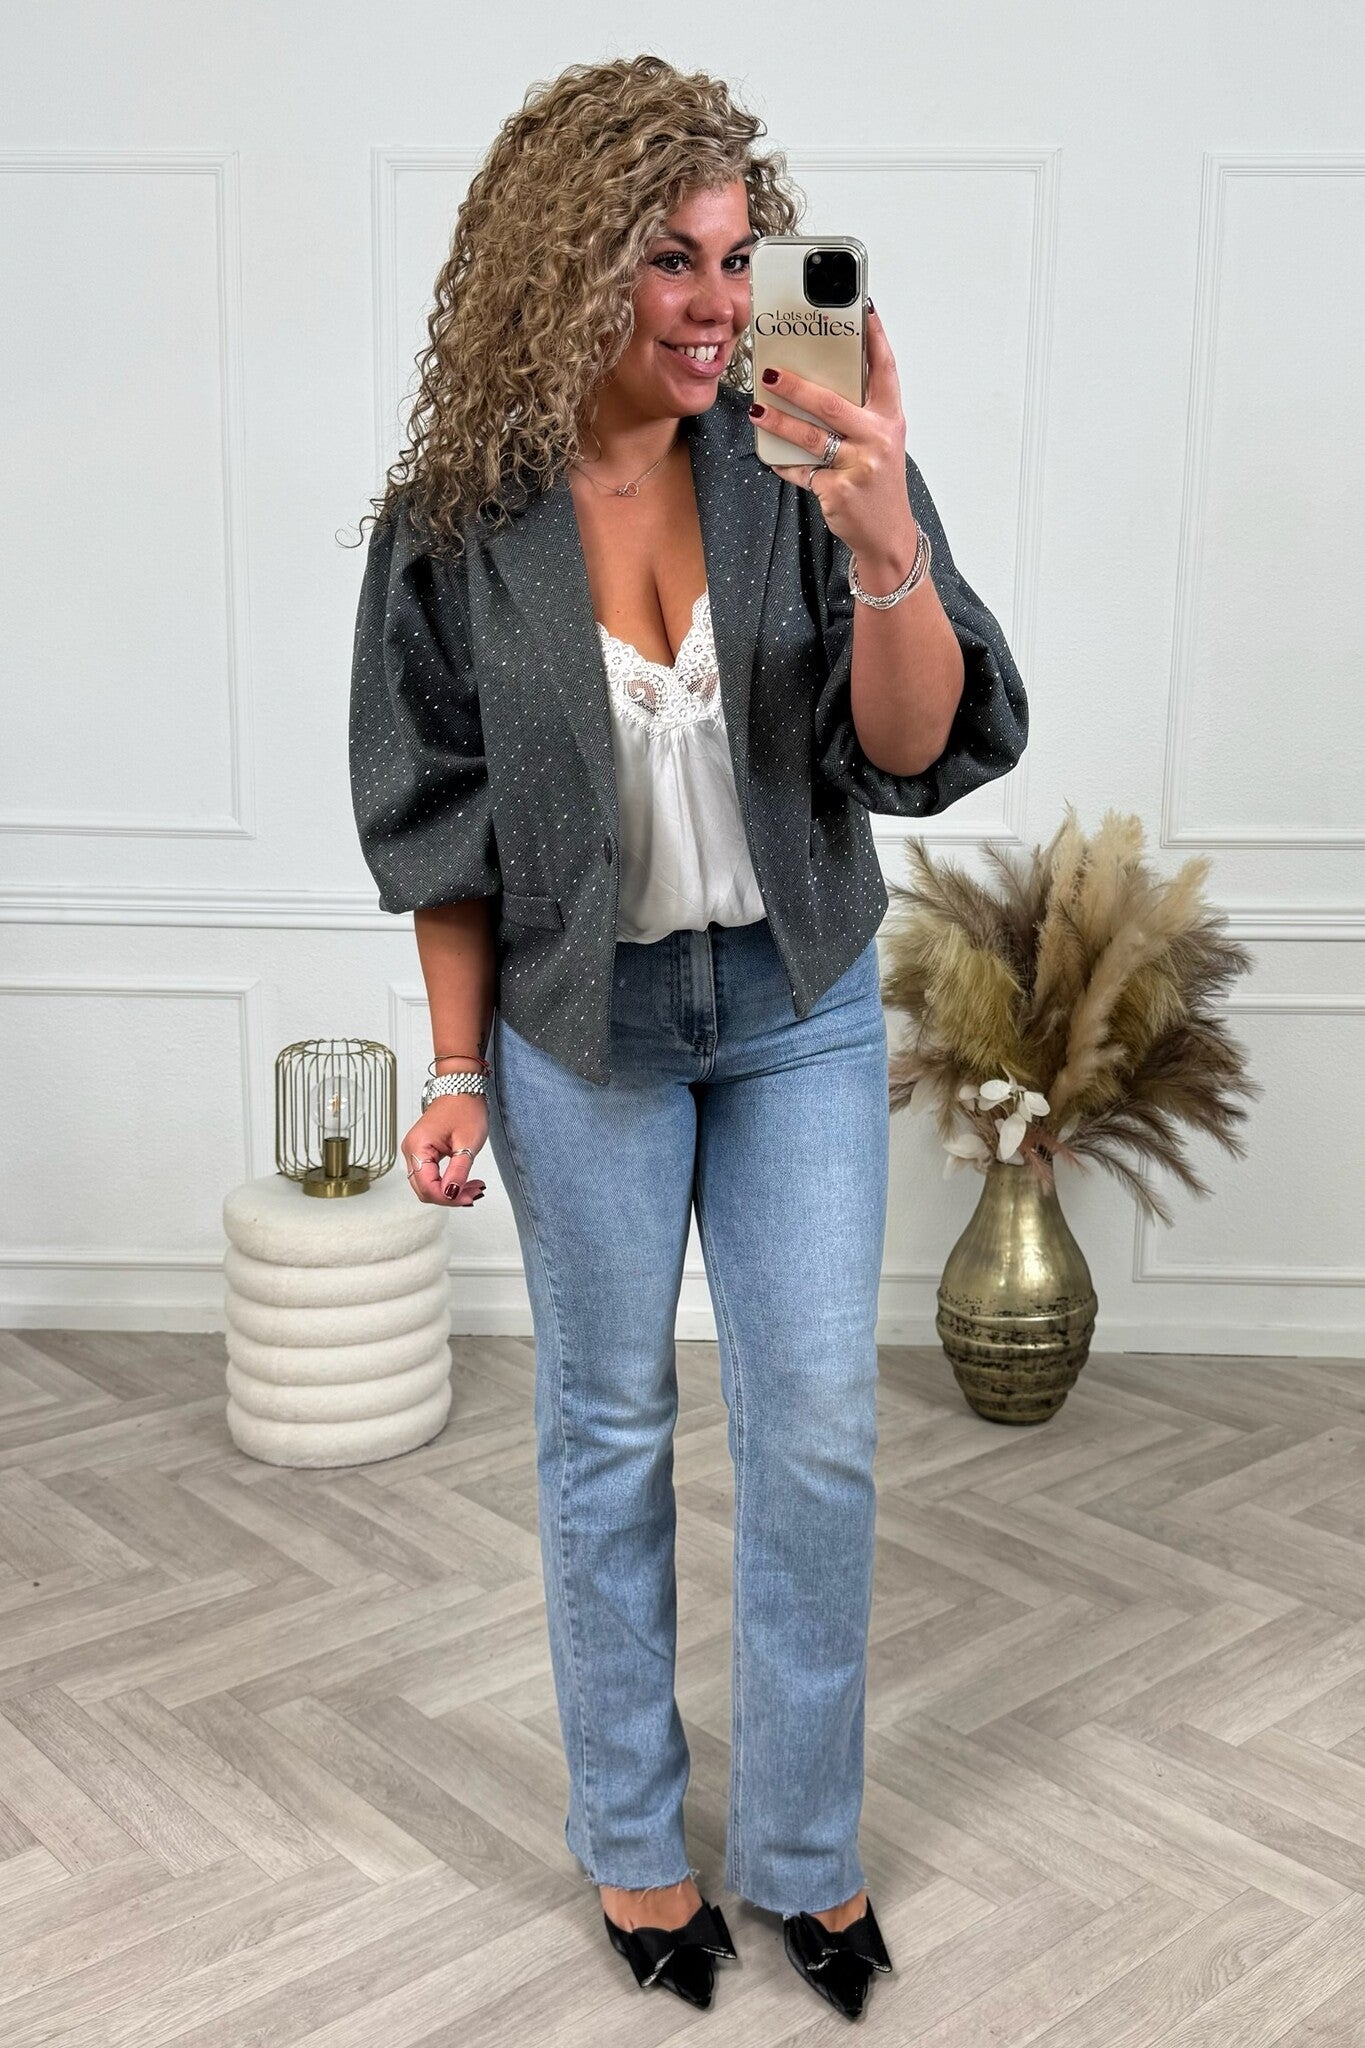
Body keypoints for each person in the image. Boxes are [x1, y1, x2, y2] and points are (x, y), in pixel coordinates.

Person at [349, 53, 1027, 2023]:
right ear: (565, 265)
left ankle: (804, 1852)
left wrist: (885, 544)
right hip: (584, 1025)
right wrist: (455, 1071)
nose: (720, 302)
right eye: (670, 258)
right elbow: (442, 826)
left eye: (739, 256)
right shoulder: (455, 525)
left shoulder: (800, 455)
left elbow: (908, 752)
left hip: (794, 1002)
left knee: (812, 1425)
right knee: (606, 1426)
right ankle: (634, 1841)